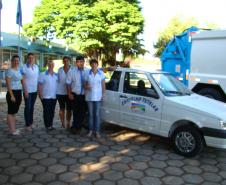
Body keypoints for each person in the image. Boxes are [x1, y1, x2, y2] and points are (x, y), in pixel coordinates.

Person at [85, 59, 105, 138]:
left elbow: (103, 85)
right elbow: (85, 85)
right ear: (91, 65)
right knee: (90, 114)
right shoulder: (87, 73)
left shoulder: (101, 73)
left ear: (97, 65)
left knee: (97, 114)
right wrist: (87, 87)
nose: (94, 65)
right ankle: (90, 130)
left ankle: (97, 131)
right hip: (89, 97)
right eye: (92, 64)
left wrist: (103, 95)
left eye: (95, 64)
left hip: (98, 97)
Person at [66, 55, 87, 134]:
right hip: (75, 95)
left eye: (82, 62)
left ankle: (79, 127)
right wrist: (69, 94)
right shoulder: (71, 71)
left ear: (84, 62)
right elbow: (68, 84)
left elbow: (97, 69)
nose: (80, 63)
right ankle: (74, 127)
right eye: (78, 62)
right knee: (75, 112)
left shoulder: (87, 71)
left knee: (82, 112)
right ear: (76, 63)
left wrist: (108, 69)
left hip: (84, 96)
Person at [5, 55, 23, 135]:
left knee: (14, 112)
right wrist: (11, 95)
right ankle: (12, 130)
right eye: (14, 60)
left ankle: (12, 129)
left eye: (17, 60)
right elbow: (8, 84)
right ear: (12, 61)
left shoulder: (18, 70)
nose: (16, 62)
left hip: (19, 92)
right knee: (11, 112)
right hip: (12, 92)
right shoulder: (10, 70)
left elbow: (21, 80)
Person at [38, 60, 58, 131]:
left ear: (53, 66)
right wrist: (40, 94)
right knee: (46, 111)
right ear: (47, 65)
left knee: (52, 111)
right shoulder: (42, 74)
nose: (51, 66)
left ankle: (51, 124)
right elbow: (39, 85)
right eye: (49, 65)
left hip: (54, 96)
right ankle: (47, 125)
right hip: (45, 96)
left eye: (52, 65)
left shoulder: (56, 75)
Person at [22, 53, 39, 132]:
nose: (31, 59)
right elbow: (23, 80)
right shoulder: (24, 67)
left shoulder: (36, 67)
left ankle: (31, 123)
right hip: (27, 91)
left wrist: (38, 90)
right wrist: (25, 91)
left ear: (34, 59)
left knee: (32, 107)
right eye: (29, 58)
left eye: (32, 58)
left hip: (34, 91)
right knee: (28, 107)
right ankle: (27, 124)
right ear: (27, 59)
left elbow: (37, 79)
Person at [56, 56, 72, 129]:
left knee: (69, 109)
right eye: (64, 61)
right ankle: (62, 122)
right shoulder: (60, 70)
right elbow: (57, 81)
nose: (66, 62)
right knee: (61, 108)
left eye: (67, 61)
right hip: (60, 92)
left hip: (69, 93)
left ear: (69, 61)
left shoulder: (73, 70)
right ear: (63, 62)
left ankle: (68, 122)